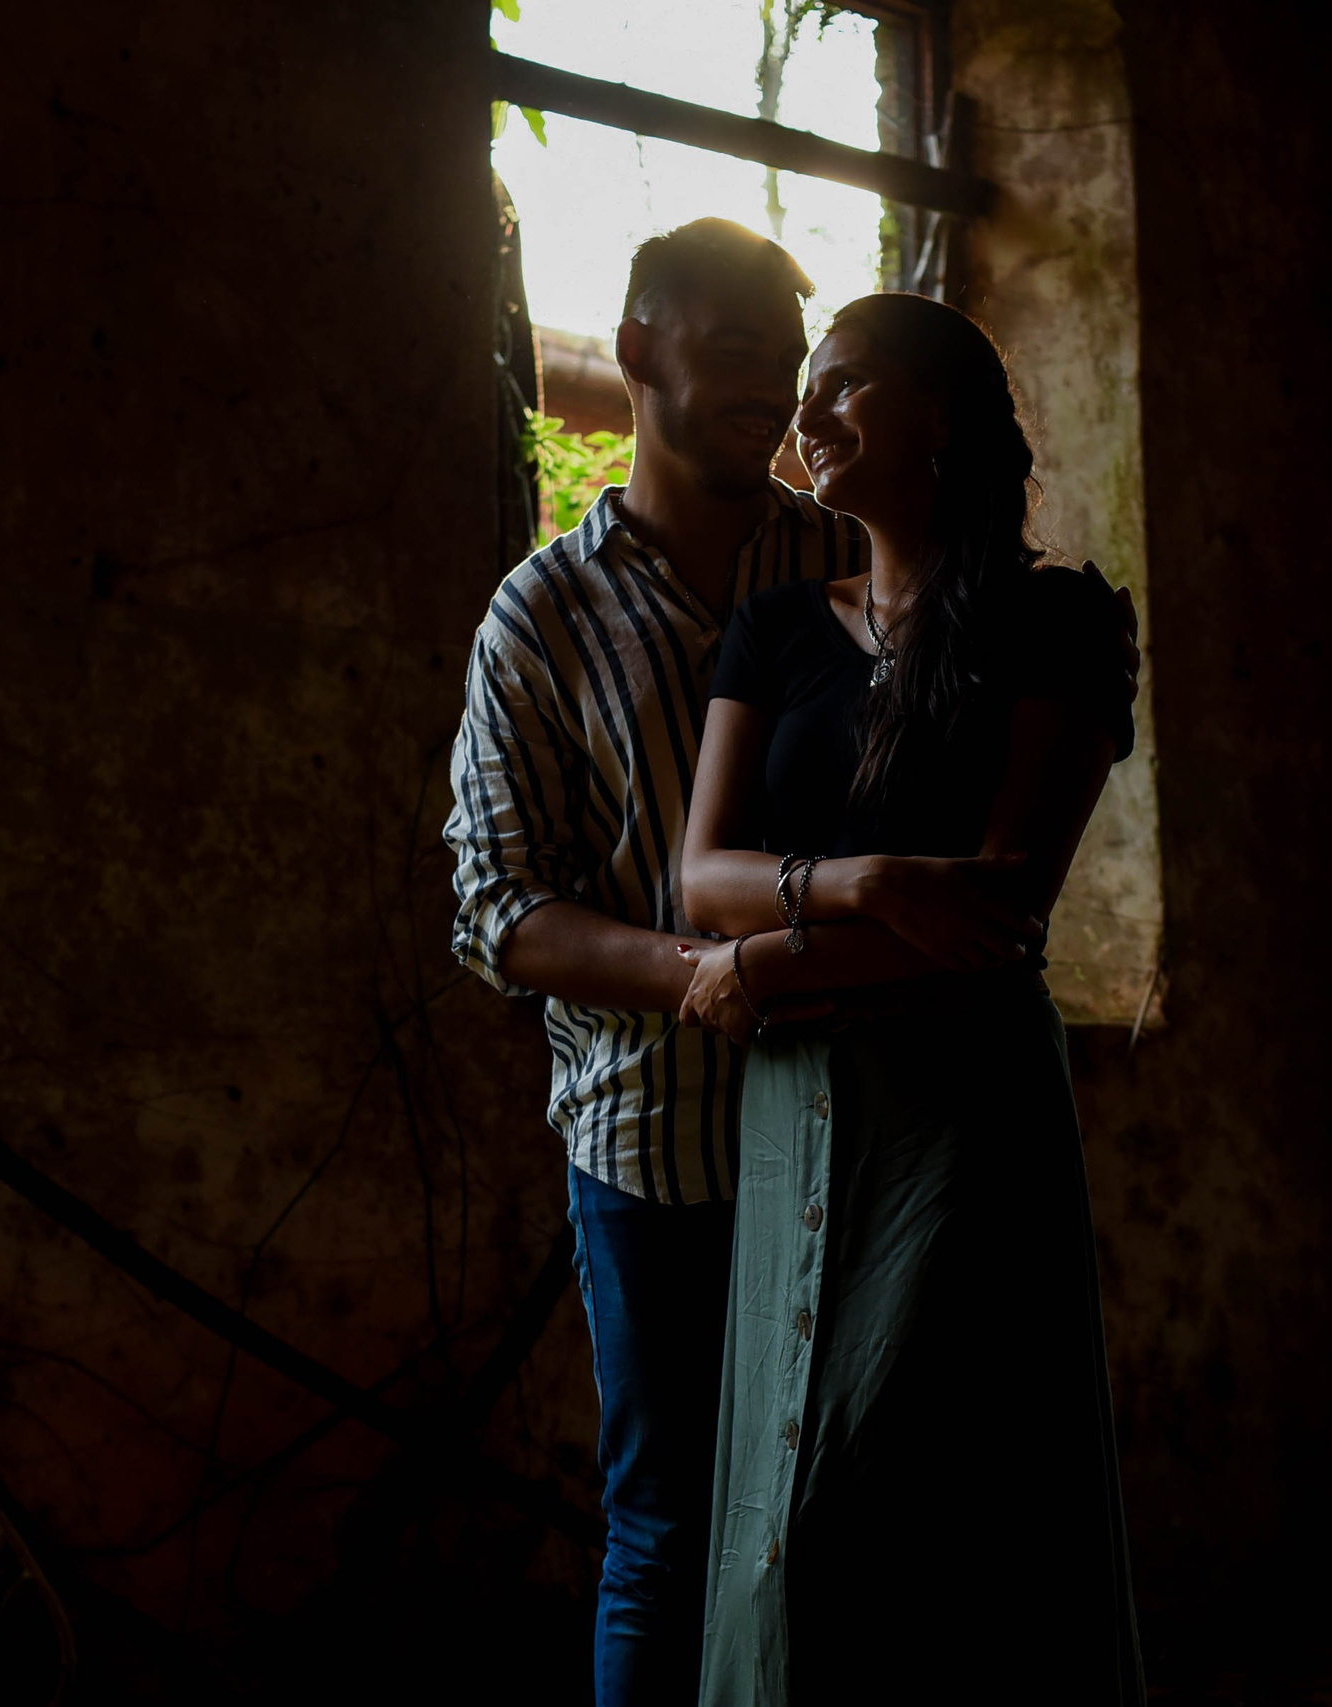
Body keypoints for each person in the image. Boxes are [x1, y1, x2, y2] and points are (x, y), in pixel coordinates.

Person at [675, 292, 1145, 1704]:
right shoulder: (771, 635)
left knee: (893, 1502)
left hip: (961, 1108)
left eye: (847, 384)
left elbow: (1002, 905)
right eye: (810, 391)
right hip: (794, 1110)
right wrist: (864, 886)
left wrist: (764, 958)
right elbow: (703, 874)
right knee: (770, 1523)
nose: (810, 417)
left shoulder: (1057, 621)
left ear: (940, 413)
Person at [444, 219, 870, 1707]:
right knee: (671, 1532)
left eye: (786, 353)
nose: (770, 378)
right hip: (654, 1151)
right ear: (636, 351)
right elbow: (499, 909)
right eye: (734, 342)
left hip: (851, 1130)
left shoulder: (846, 562)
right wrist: (696, 970)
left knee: (847, 1528)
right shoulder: (542, 618)